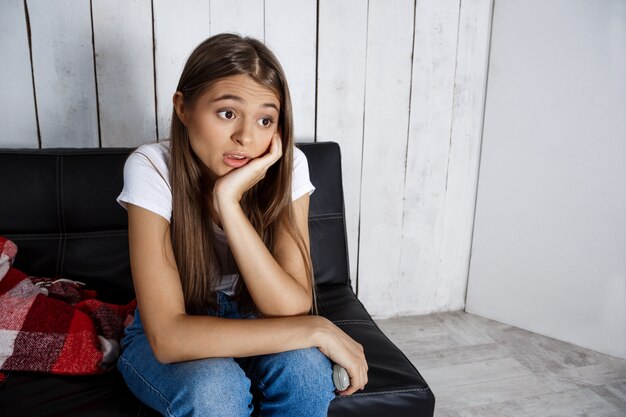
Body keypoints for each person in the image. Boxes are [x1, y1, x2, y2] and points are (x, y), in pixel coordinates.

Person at [115, 33, 368, 417]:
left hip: (257, 318)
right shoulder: (151, 167)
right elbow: (168, 338)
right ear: (183, 108)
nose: (246, 137)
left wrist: (228, 203)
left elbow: (290, 306)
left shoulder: (289, 165)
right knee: (215, 389)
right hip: (173, 331)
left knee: (305, 375)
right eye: (227, 113)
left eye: (265, 119)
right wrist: (318, 329)